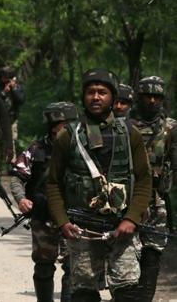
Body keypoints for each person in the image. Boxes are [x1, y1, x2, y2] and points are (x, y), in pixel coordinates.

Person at [46, 68, 152, 302]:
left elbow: (144, 179)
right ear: (83, 96)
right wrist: (63, 222)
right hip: (82, 229)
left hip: (122, 227)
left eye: (102, 92)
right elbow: (53, 183)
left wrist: (131, 218)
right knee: (84, 293)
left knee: (128, 291)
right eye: (91, 92)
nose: (96, 97)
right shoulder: (68, 136)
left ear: (113, 98)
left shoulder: (129, 134)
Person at [9, 102, 78, 302]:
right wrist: (21, 199)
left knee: (73, 266)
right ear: (52, 125)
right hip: (43, 216)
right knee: (44, 265)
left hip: (73, 216)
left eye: (69, 124)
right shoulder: (36, 149)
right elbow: (16, 177)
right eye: (61, 124)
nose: (65, 128)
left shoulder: (83, 151)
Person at [129, 76, 177, 302]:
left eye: (156, 96)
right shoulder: (122, 125)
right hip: (126, 197)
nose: (151, 101)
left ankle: (145, 297)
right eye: (147, 96)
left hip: (157, 199)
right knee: (126, 251)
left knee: (153, 251)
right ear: (138, 97)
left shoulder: (170, 128)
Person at [0, 66, 26, 161]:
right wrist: (4, 92)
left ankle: (11, 163)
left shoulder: (17, 86)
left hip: (11, 119)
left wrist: (14, 89)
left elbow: (21, 100)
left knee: (11, 141)